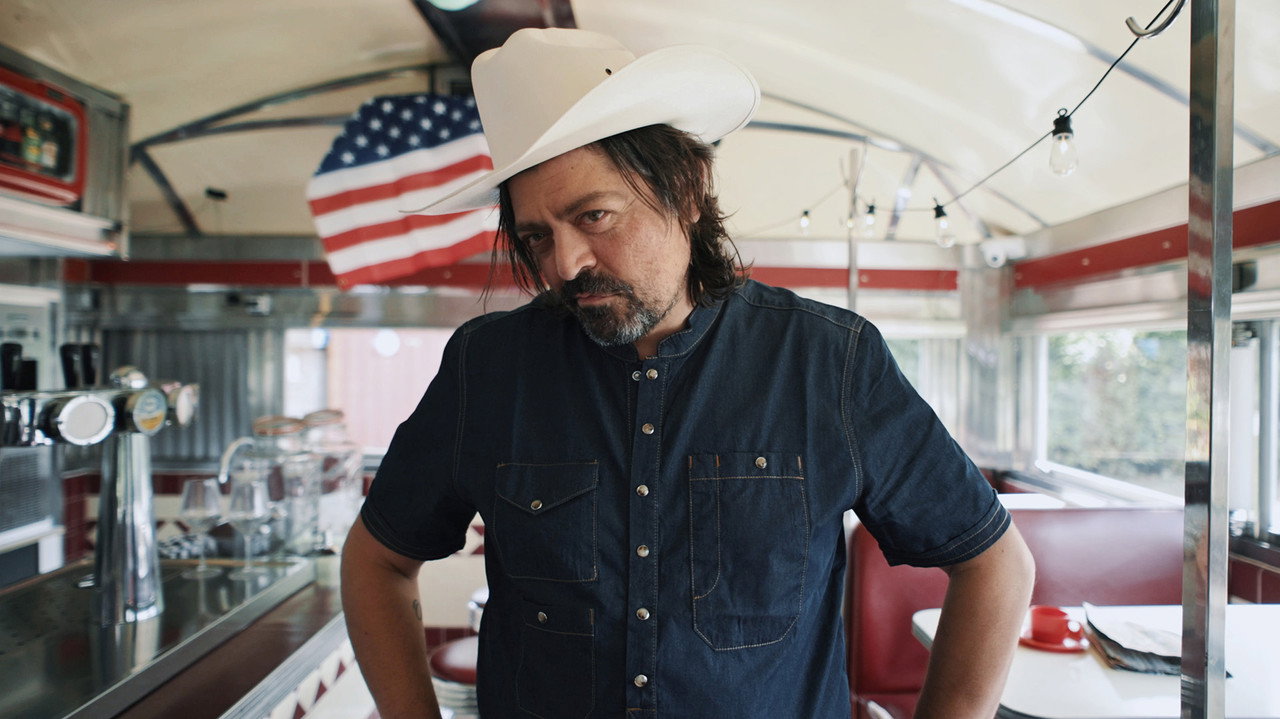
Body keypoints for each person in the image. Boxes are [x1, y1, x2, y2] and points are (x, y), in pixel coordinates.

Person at [340, 27, 1035, 719]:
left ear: (688, 188)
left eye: (594, 215)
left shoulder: (829, 362)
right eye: (537, 237)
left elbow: (994, 563)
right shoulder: (488, 369)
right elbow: (377, 560)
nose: (566, 263)